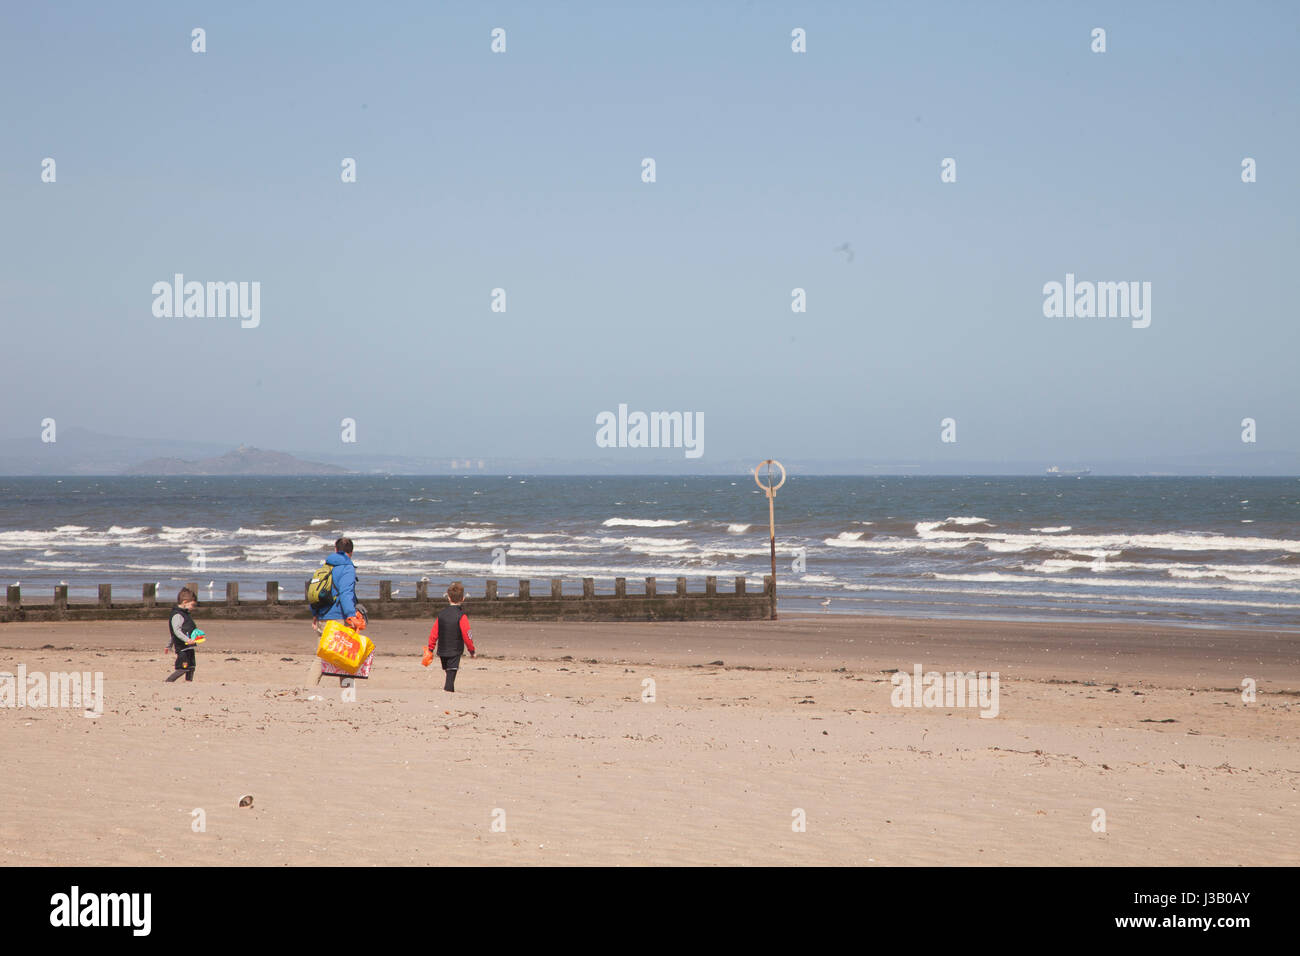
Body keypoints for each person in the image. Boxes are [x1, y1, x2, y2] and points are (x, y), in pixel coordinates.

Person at [422, 582, 475, 692]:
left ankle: (449, 690)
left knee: (448, 671)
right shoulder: (462, 616)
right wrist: (472, 650)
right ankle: (448, 691)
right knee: (451, 673)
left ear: (448, 598)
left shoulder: (441, 614)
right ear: (463, 599)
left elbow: (434, 633)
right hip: (455, 650)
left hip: (443, 649)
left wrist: (430, 649)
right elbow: (467, 634)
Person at [319, 537, 365, 631]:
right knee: (342, 645)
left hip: (322, 616)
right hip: (338, 618)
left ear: (336, 549)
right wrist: (351, 615)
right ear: (352, 552)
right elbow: (345, 592)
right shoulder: (347, 568)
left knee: (324, 645)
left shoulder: (327, 565)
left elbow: (318, 590)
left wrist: (315, 614)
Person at [164, 587, 205, 682]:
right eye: (192, 605)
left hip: (189, 647)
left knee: (191, 667)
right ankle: (168, 682)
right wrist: (186, 640)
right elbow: (176, 631)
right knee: (182, 668)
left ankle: (188, 683)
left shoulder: (186, 614)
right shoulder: (177, 615)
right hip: (182, 647)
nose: (193, 608)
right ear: (185, 602)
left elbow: (184, 630)